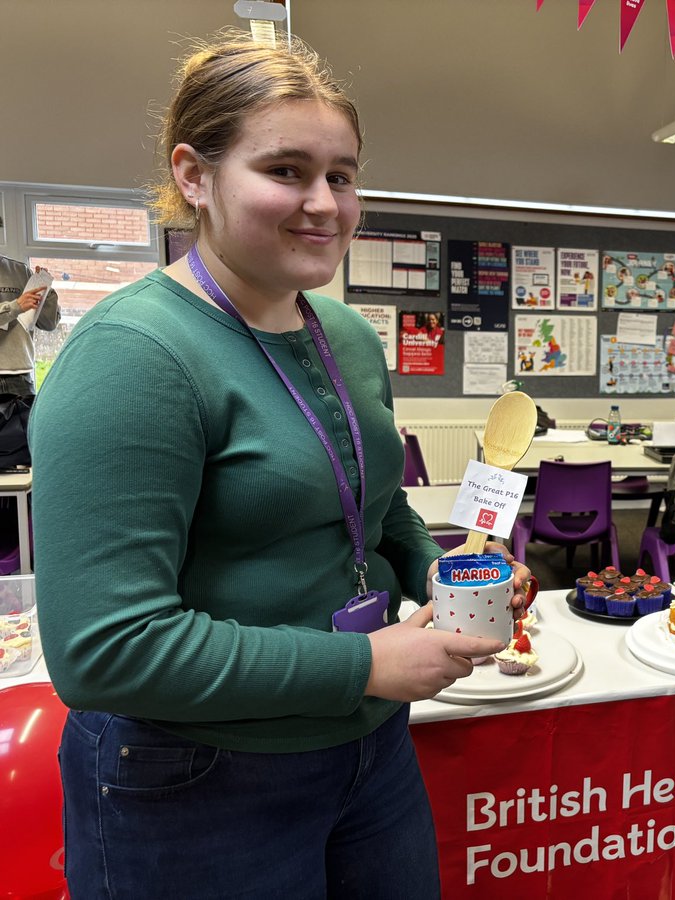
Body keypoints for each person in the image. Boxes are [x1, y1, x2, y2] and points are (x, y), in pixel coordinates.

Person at [30, 35, 531, 899]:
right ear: (194, 175)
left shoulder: (346, 336)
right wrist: (362, 664)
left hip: (367, 752)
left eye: (342, 175)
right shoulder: (132, 357)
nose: (324, 204)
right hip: (195, 779)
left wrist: (437, 568)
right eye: (287, 171)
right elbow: (103, 652)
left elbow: (372, 507)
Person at [0, 255, 60, 398]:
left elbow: (49, 323)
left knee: (28, 421)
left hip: (20, 378)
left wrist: (45, 290)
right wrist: (16, 306)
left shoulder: (21, 270)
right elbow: (17, 307)